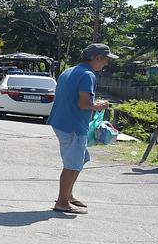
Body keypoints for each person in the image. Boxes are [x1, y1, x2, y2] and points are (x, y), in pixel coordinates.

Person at [48, 43, 116, 215]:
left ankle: (68, 195)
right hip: (73, 125)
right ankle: (62, 202)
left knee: (81, 158)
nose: (106, 63)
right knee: (72, 165)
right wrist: (99, 105)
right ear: (97, 58)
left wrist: (93, 104)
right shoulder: (88, 75)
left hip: (61, 121)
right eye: (106, 59)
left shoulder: (69, 71)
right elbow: (84, 104)